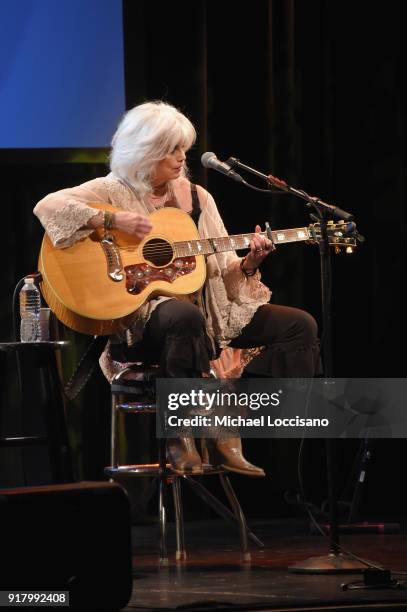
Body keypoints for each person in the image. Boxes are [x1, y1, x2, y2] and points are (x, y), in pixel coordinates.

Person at [34, 101, 320, 478]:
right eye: (171, 148)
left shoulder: (199, 199)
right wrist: (111, 219)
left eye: (183, 148)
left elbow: (224, 271)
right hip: (143, 323)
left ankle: (227, 421)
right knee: (184, 316)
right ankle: (180, 434)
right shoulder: (110, 190)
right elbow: (48, 205)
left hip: (209, 319)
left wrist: (249, 263)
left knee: (300, 327)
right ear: (144, 151)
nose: (181, 157)